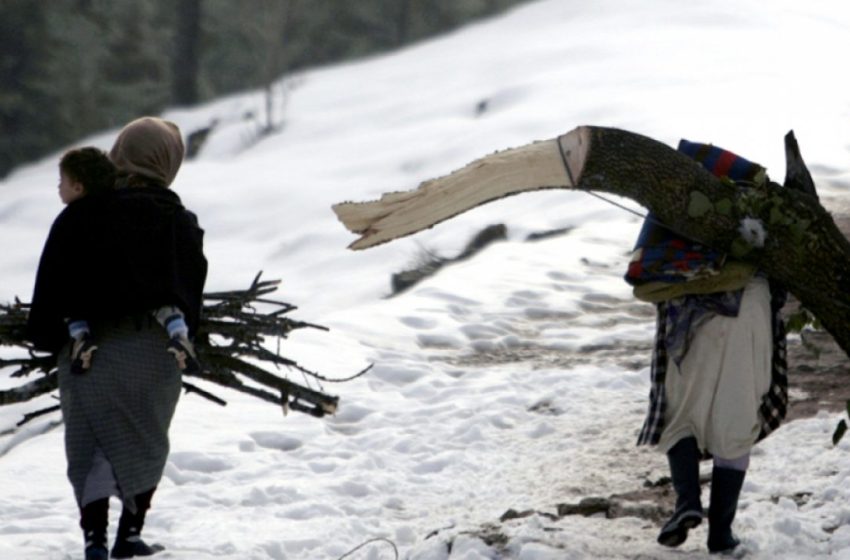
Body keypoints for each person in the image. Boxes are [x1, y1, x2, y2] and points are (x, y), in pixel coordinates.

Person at [26, 117, 208, 560]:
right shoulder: (179, 221)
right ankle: (129, 534)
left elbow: (51, 290)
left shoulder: (79, 214)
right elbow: (188, 295)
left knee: (90, 443)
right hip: (152, 355)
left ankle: (94, 541)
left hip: (90, 355)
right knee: (144, 439)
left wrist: (54, 338)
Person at [626, 140, 788, 555]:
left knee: (680, 417)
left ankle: (686, 504)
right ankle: (721, 533)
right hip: (746, 313)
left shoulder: (669, 210)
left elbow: (646, 271)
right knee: (735, 425)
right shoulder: (757, 205)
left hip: (687, 318)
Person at [55, 146, 200, 377]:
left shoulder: (81, 215)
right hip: (158, 343)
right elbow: (191, 276)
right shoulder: (177, 214)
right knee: (167, 306)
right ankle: (178, 333)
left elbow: (56, 275)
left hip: (95, 330)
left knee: (73, 308)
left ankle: (81, 337)